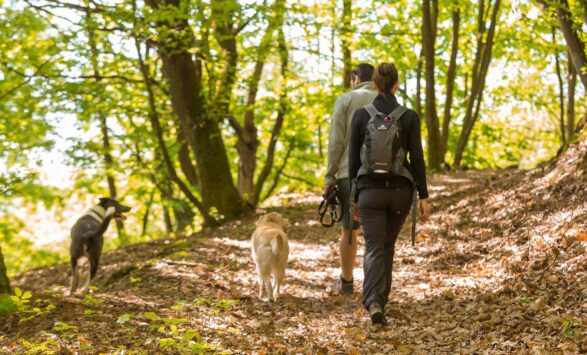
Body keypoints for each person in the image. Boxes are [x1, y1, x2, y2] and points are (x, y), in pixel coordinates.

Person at [348, 63, 430, 325]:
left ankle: (374, 301)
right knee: (387, 245)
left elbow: (352, 160)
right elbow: (416, 158)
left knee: (374, 246)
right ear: (395, 85)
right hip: (400, 192)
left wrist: (353, 194)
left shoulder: (361, 115)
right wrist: (424, 195)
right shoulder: (409, 117)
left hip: (369, 192)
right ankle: (380, 298)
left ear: (375, 85)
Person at [324, 63, 377, 295]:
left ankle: (346, 281)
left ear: (356, 78)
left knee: (349, 229)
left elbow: (336, 140)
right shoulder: (387, 100)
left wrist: (330, 174)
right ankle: (375, 284)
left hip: (350, 173)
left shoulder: (346, 100)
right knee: (377, 232)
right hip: (382, 175)